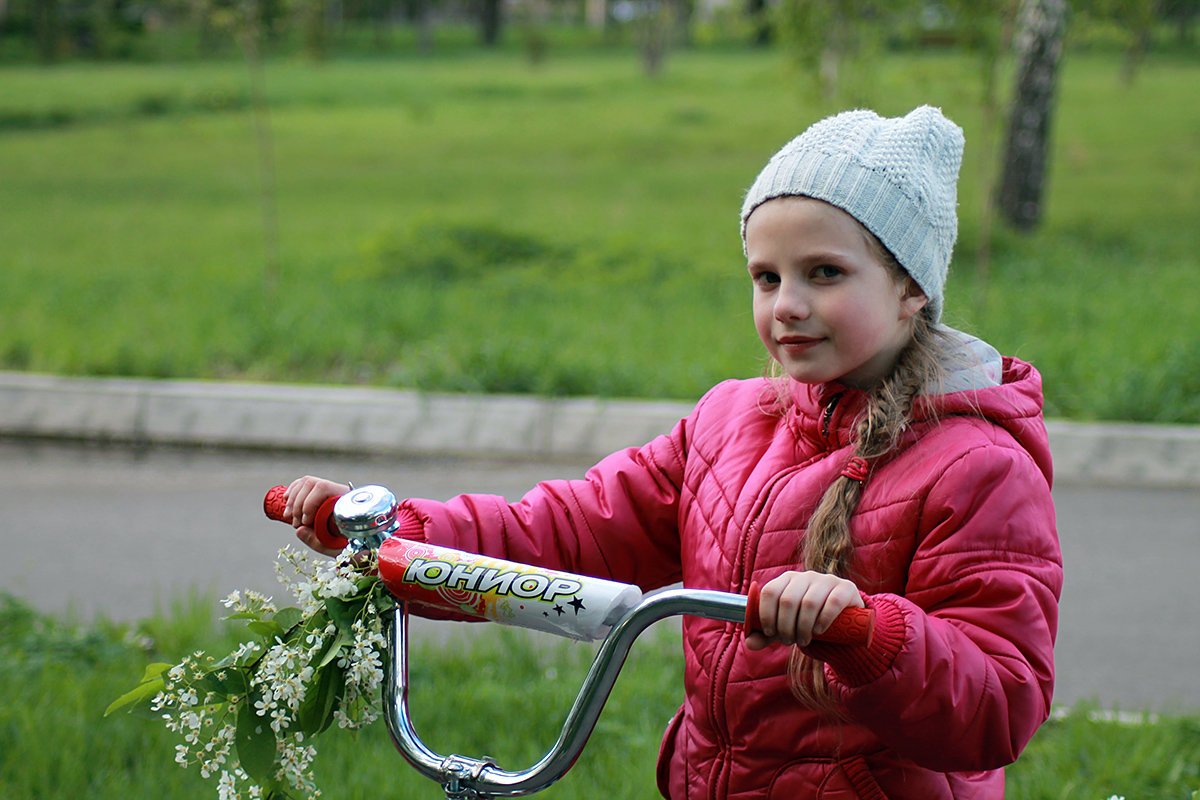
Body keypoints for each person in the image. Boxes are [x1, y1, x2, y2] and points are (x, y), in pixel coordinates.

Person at [282, 106, 1062, 799]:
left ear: (910, 287)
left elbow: (999, 703)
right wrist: (395, 541)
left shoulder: (976, 466)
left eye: (824, 273)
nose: (787, 304)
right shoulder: (729, 421)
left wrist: (869, 634)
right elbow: (573, 532)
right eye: (766, 276)